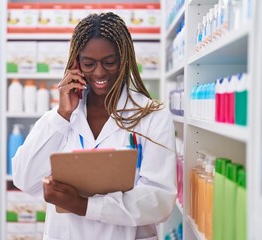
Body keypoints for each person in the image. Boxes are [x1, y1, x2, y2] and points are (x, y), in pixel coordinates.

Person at [13, 12, 176, 240]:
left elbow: (160, 200)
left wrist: (84, 205)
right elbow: (24, 178)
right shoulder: (63, 117)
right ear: (76, 63)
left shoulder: (153, 115)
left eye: (109, 62)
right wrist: (62, 115)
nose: (99, 73)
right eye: (89, 64)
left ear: (124, 59)